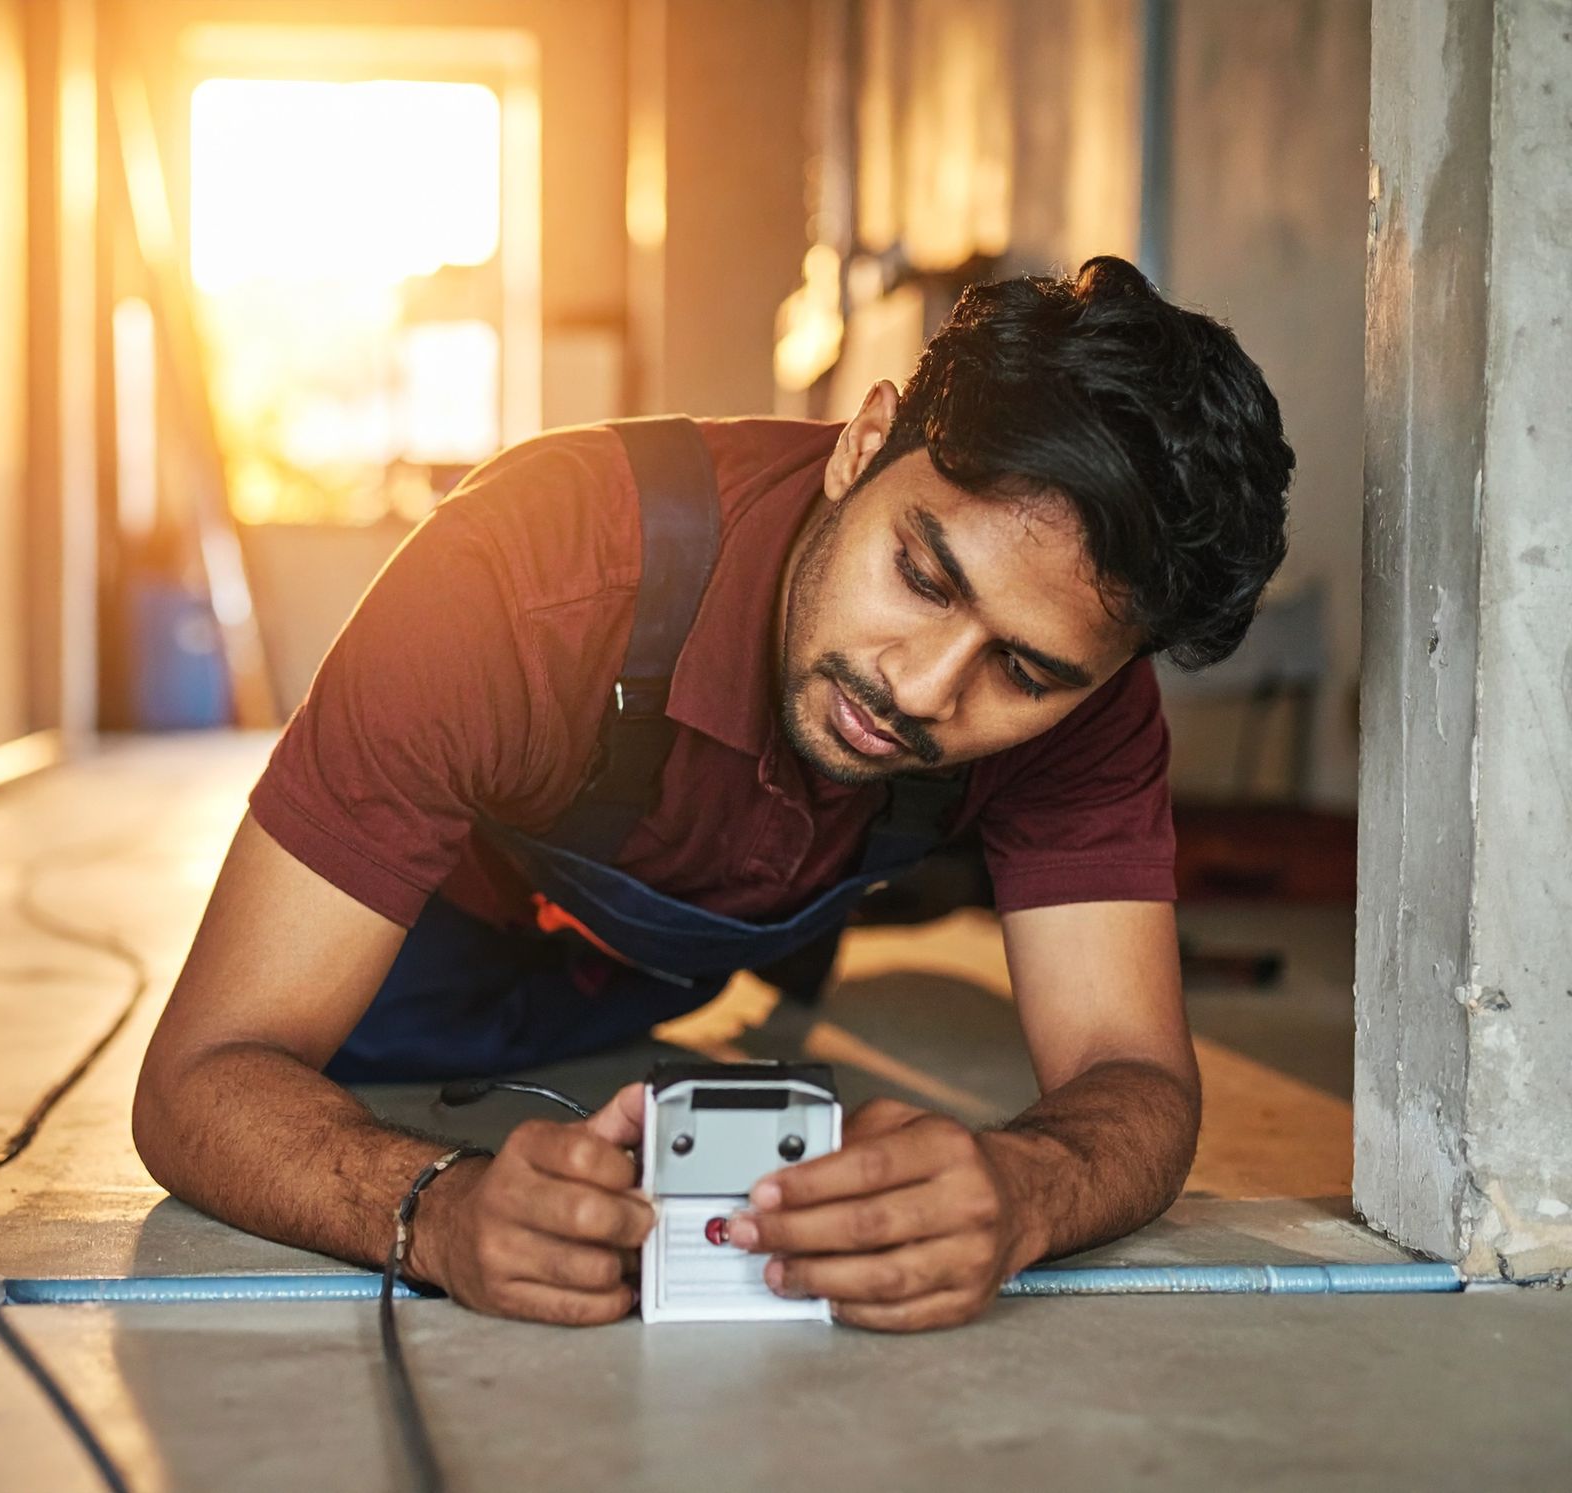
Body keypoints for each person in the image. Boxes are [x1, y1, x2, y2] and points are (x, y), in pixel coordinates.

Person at [132, 256, 1294, 1332]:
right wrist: (431, 1207)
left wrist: (1027, 1187)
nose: (924, 688)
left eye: (1025, 671)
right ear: (865, 442)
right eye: (924, 576)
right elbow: (198, 1078)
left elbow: (1130, 1072)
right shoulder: (518, 577)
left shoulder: (1087, 700)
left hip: (718, 946)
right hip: (448, 952)